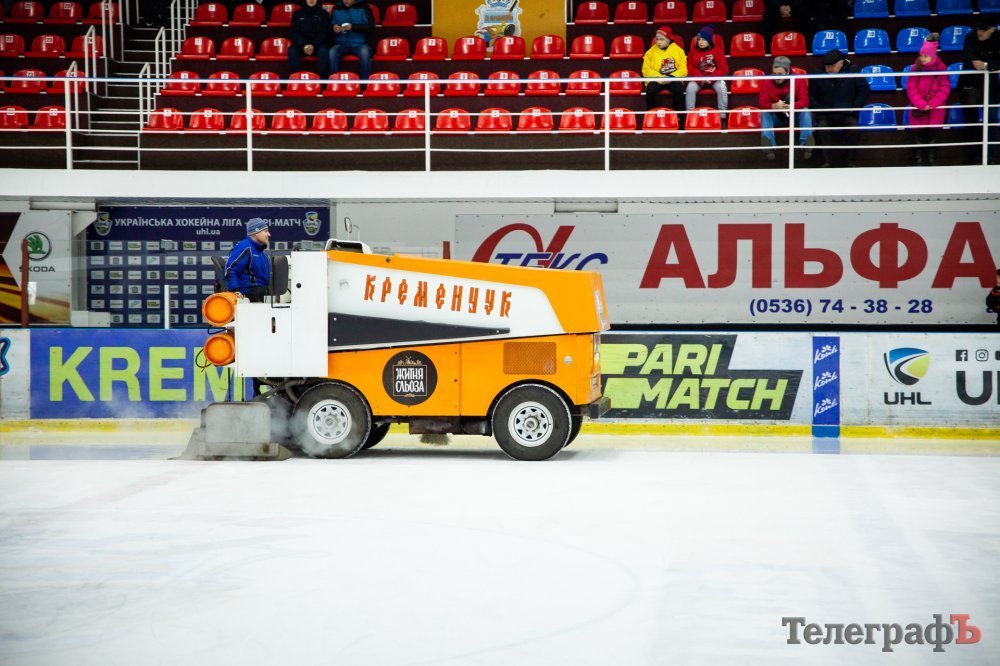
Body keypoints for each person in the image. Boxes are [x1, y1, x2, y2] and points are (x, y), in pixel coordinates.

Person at [809, 49, 870, 168]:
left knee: (854, 129)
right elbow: (812, 95)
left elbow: (863, 91)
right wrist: (819, 109)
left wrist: (855, 107)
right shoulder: (817, 73)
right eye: (826, 66)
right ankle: (827, 162)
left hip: (847, 114)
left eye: (831, 66)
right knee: (822, 128)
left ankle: (849, 161)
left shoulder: (854, 71)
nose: (828, 69)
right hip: (826, 114)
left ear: (841, 63)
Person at [906, 34, 950, 166]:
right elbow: (911, 88)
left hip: (936, 109)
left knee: (933, 136)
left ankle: (931, 161)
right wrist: (921, 104)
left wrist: (932, 104)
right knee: (918, 137)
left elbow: (944, 88)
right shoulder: (915, 68)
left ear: (933, 55)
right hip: (918, 109)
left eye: (925, 56)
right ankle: (918, 161)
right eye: (921, 56)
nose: (922, 58)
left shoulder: (941, 68)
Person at [961, 15, 1000, 165]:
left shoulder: (999, 38)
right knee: (970, 119)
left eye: (983, 30)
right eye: (978, 29)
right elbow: (968, 59)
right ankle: (975, 157)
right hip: (969, 83)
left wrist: (986, 65)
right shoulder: (970, 36)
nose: (980, 33)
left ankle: (990, 156)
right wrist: (982, 64)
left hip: (991, 85)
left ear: (992, 29)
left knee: (991, 118)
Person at [759, 56, 814, 161]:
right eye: (774, 73)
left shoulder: (799, 80)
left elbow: (805, 101)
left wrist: (792, 106)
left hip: (794, 116)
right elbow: (762, 102)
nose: (776, 77)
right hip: (777, 116)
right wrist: (773, 106)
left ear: (788, 71)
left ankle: (806, 143)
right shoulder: (766, 81)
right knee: (765, 113)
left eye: (780, 74)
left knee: (805, 111)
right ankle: (769, 145)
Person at [328, 0, 376, 84]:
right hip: (341, 42)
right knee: (333, 52)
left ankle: (364, 85)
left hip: (360, 43)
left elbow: (370, 27)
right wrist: (334, 28)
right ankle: (334, 84)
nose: (346, 1)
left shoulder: (364, 7)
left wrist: (352, 27)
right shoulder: (336, 8)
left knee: (365, 53)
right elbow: (330, 25)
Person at [685, 26, 728, 118]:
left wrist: (711, 77)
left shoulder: (718, 51)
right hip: (698, 79)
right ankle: (690, 116)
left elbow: (724, 69)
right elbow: (689, 68)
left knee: (722, 87)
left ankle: (722, 116)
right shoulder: (693, 52)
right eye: (699, 39)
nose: (700, 42)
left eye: (703, 40)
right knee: (690, 88)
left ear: (709, 40)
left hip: (714, 78)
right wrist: (701, 78)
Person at [225, 217, 271, 302]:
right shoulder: (245, 247)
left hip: (260, 291)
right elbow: (230, 270)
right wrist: (235, 291)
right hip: (247, 293)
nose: (269, 234)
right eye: (266, 231)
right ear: (256, 232)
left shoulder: (261, 253)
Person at [643, 26, 687, 112]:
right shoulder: (650, 52)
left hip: (673, 78)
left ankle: (679, 116)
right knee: (650, 89)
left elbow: (683, 70)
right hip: (656, 78)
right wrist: (660, 77)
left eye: (661, 39)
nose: (658, 42)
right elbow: (646, 70)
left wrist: (671, 77)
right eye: (657, 39)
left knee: (678, 89)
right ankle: (650, 115)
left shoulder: (679, 51)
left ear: (668, 39)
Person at [289, 0, 332, 78]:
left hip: (318, 44)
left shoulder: (324, 14)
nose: (311, 0)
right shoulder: (297, 14)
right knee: (292, 50)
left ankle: (322, 81)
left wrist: (314, 45)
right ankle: (296, 79)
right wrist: (304, 44)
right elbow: (295, 32)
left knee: (324, 51)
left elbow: (324, 33)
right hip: (302, 44)